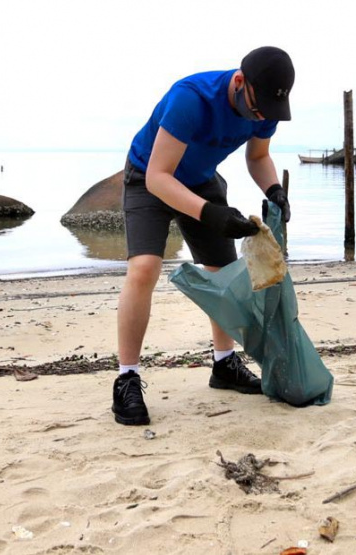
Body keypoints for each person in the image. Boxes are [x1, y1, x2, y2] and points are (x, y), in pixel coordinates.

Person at [112, 46, 294, 426]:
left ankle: (224, 365)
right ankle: (127, 377)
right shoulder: (191, 99)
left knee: (223, 273)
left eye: (268, 114)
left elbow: (258, 158)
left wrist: (274, 190)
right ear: (240, 82)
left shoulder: (264, 107)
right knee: (144, 267)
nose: (261, 118)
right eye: (257, 109)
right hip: (149, 177)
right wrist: (212, 214)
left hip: (200, 180)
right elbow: (158, 177)